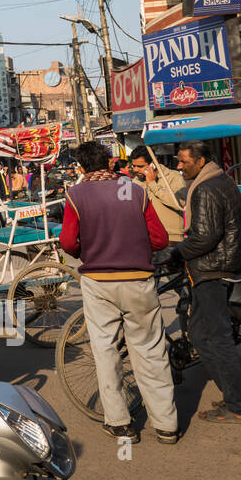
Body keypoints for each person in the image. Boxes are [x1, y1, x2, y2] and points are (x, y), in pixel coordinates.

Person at [60, 141, 178, 445]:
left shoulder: (76, 194)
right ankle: (166, 425)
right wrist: (134, 246)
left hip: (98, 281)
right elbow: (160, 238)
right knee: (151, 350)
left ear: (82, 167)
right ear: (110, 162)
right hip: (139, 279)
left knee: (105, 349)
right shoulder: (136, 191)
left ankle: (120, 423)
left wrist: (92, 249)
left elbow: (69, 243)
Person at [170, 141, 241, 426]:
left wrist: (176, 253)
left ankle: (240, 406)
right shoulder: (219, 179)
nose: (179, 166)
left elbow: (205, 237)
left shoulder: (206, 188)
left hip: (212, 269)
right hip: (222, 266)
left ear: (201, 160)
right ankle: (237, 395)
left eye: (184, 161)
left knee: (216, 338)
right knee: (199, 334)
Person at [128, 146, 186, 249]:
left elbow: (179, 204)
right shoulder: (136, 182)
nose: (136, 169)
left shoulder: (173, 177)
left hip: (171, 239)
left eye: (140, 166)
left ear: (153, 163)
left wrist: (153, 185)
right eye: (134, 166)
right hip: (146, 239)